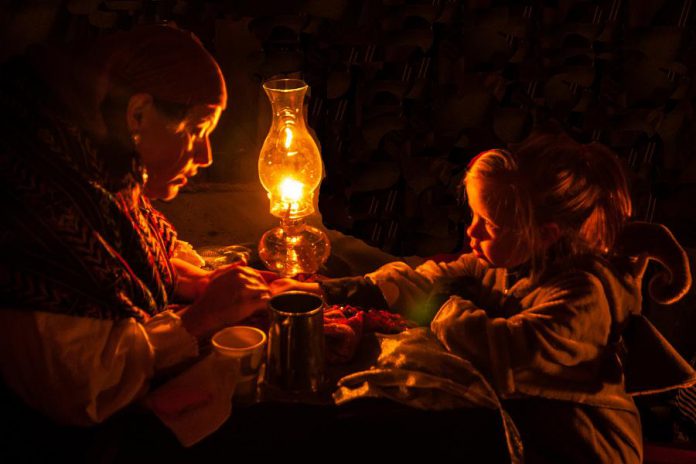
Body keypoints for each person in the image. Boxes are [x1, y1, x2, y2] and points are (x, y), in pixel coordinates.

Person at [271, 132, 694, 463]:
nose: (471, 232)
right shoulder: (504, 263)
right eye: (473, 216)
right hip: (521, 434)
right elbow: (429, 278)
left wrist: (444, 310)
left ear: (542, 235)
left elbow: (507, 354)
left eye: (487, 225)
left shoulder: (583, 299)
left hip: (579, 451)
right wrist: (327, 290)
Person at [0, 25, 269, 426]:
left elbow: (126, 249)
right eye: (197, 130)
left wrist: (189, 280)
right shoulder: (40, 202)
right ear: (138, 114)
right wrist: (198, 320)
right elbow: (82, 386)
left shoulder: (96, 169)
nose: (207, 155)